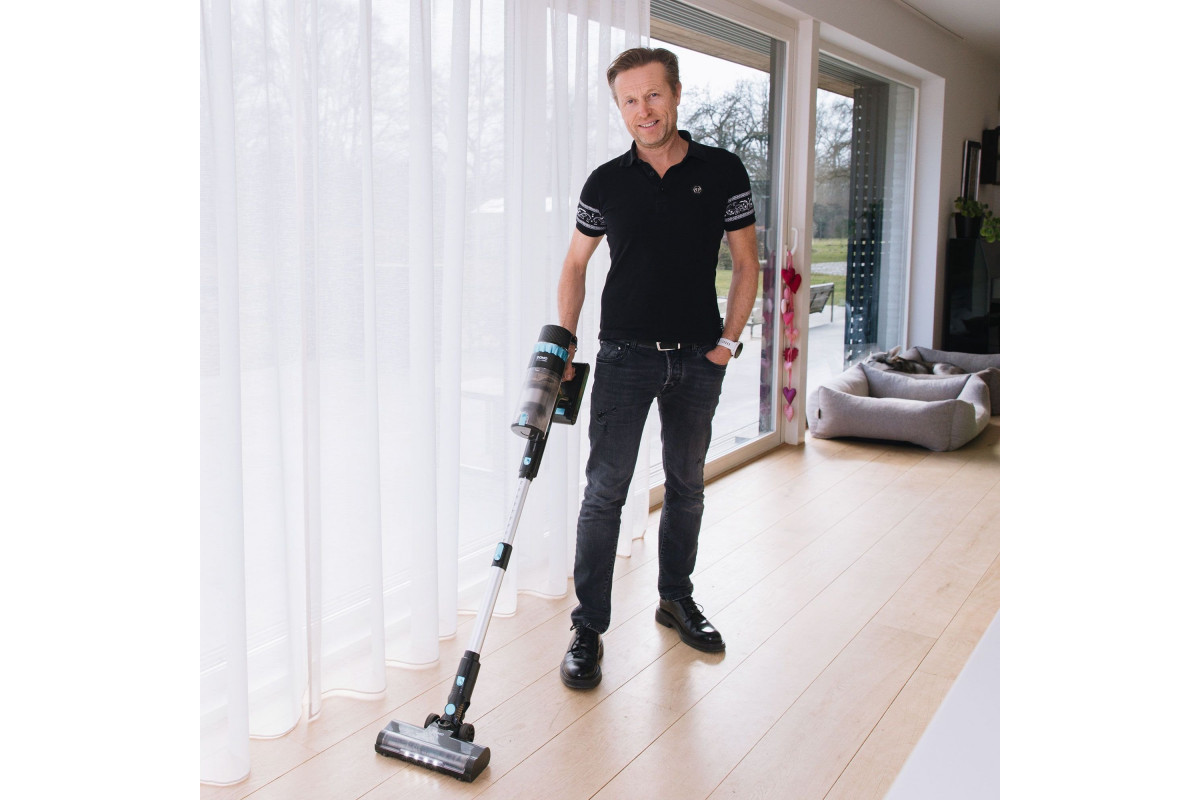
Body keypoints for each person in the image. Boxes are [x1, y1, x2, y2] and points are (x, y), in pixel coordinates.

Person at [556, 46, 759, 689]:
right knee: (605, 493)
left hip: (699, 358)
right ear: (619, 108)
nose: (642, 110)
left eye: (652, 95)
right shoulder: (604, 183)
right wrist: (564, 345)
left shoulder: (723, 170)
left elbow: (747, 263)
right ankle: (588, 628)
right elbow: (574, 265)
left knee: (686, 485)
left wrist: (727, 343)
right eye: (629, 100)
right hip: (623, 357)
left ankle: (676, 599)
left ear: (674, 94)